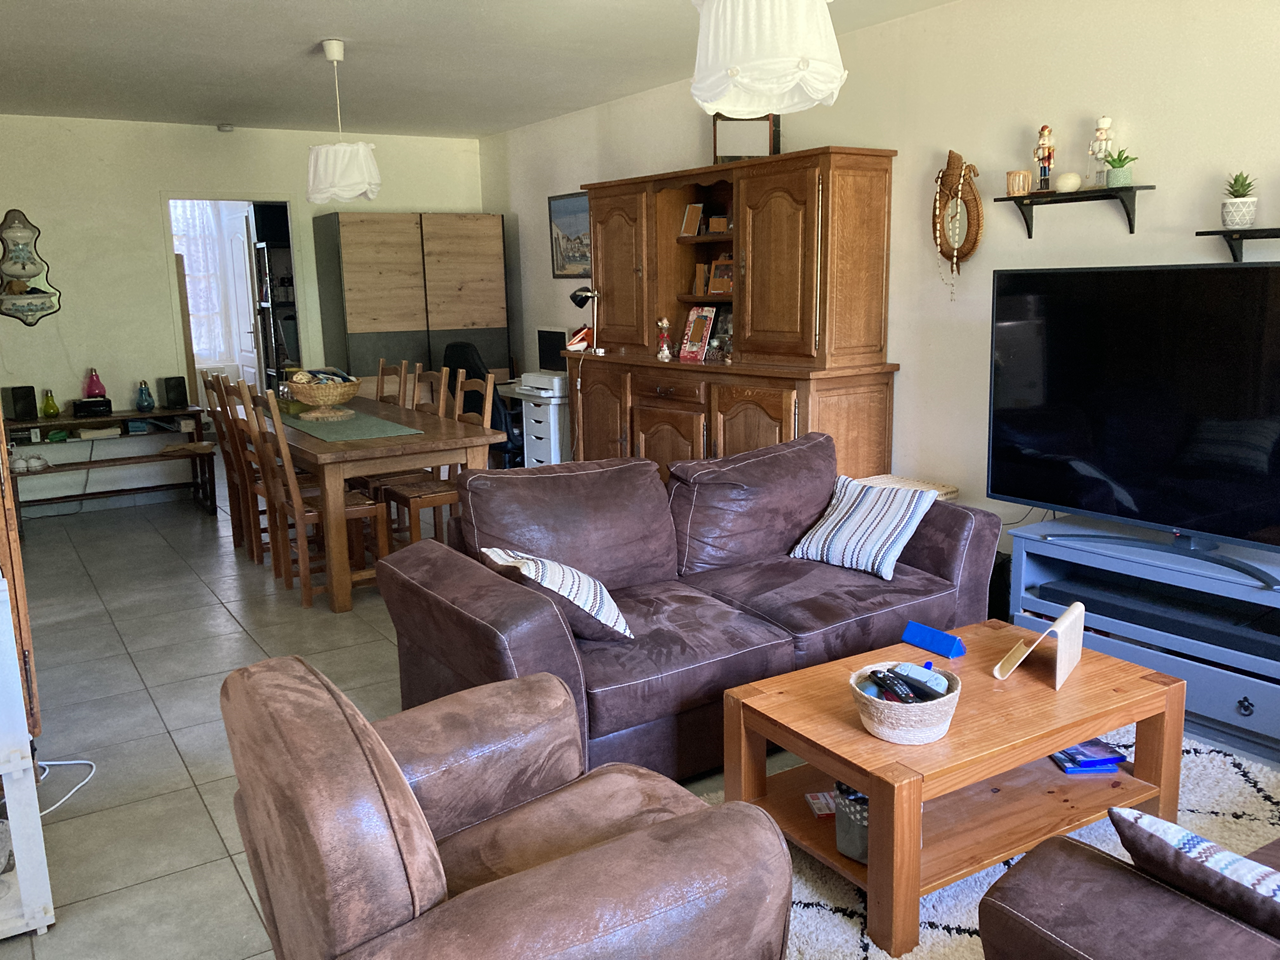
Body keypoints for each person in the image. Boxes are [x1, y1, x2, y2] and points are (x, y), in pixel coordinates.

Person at [1034, 125, 1055, 191]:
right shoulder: (1039, 150)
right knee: (1042, 175)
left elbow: (1051, 157)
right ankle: (1042, 186)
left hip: (1046, 162)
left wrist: (1051, 163)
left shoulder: (1050, 149)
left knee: (1046, 175)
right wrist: (1036, 158)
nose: (1040, 142)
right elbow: (1038, 156)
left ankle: (1046, 187)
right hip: (1041, 162)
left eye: (1043, 140)